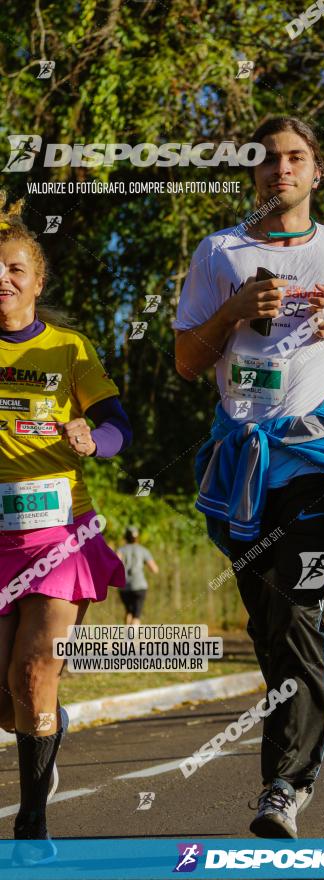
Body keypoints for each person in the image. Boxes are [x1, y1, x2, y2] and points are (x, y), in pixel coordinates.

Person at [174, 116, 324, 839]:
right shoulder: (220, 252)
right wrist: (236, 309)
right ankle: (290, 758)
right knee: (271, 625)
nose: (280, 170)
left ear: (316, 171)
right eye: (265, 161)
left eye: (294, 158)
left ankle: (283, 787)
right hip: (242, 463)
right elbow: (184, 360)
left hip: (315, 460)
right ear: (251, 173)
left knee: (298, 610)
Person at [0, 191, 132, 865]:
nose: (3, 280)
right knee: (8, 699)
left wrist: (92, 437)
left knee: (33, 672)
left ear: (37, 280)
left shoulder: (68, 349)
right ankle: (48, 734)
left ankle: (32, 825)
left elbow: (118, 426)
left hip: (59, 532)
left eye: (15, 268)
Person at [117, 525, 159, 624]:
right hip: (139, 586)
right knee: (136, 615)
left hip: (124, 586)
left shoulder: (121, 550)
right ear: (137, 537)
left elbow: (115, 565)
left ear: (125, 537)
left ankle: (127, 639)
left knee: (128, 611)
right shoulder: (143, 550)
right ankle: (132, 637)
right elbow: (154, 569)